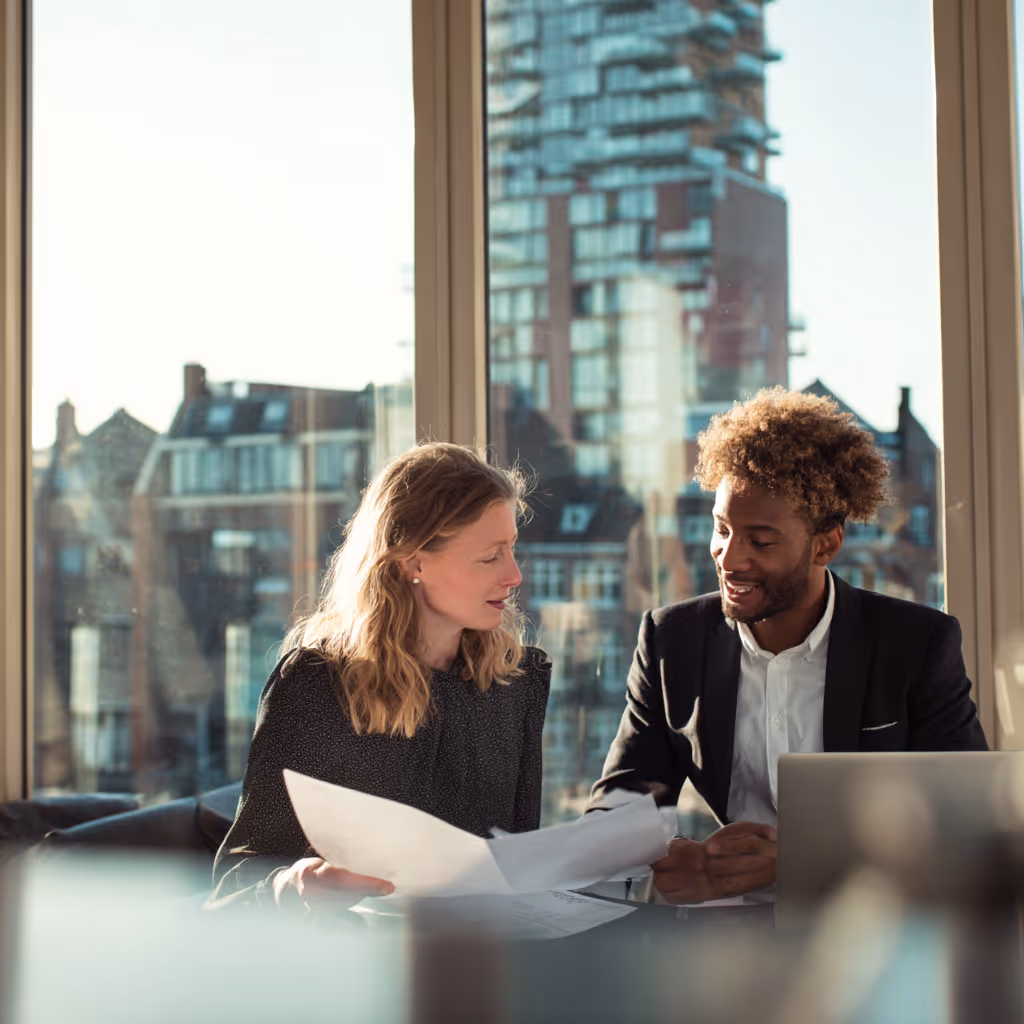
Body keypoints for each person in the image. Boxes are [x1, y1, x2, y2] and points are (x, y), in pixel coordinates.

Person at [591, 388, 987, 904]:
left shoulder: (914, 644)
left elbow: (969, 819)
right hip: (724, 930)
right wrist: (668, 853)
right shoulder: (673, 641)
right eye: (721, 529)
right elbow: (617, 805)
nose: (729, 559)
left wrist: (802, 858)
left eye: (760, 540)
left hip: (869, 919)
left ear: (826, 544)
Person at [208, 442, 550, 910]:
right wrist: (298, 887)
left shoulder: (515, 683)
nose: (514, 576)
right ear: (413, 561)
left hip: (480, 963)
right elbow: (233, 892)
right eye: (490, 556)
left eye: (512, 550)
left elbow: (515, 871)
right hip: (349, 968)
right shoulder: (317, 686)